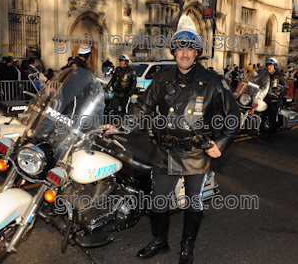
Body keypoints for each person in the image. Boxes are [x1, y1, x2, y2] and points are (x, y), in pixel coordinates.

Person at [119, 28, 240, 263]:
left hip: (196, 151)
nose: (185, 54)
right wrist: (119, 126)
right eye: (180, 49)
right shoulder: (161, 79)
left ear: (197, 53)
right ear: (174, 52)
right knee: (158, 200)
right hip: (164, 150)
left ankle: (187, 247)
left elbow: (233, 116)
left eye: (190, 49)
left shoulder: (214, 82)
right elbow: (141, 108)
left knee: (193, 203)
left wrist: (222, 142)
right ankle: (160, 241)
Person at [262, 58, 288, 142]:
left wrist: (278, 92)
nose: (268, 67)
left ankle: (272, 133)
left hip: (275, 100)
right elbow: (258, 82)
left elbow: (286, 86)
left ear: (275, 66)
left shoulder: (280, 75)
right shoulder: (264, 75)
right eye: (267, 65)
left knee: (272, 115)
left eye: (270, 65)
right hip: (264, 97)